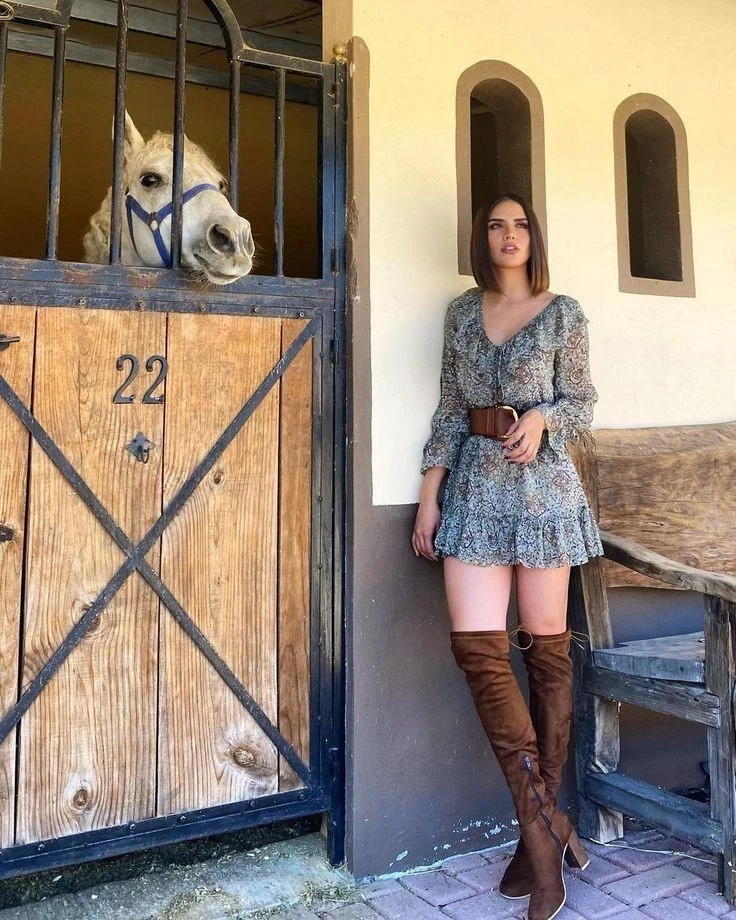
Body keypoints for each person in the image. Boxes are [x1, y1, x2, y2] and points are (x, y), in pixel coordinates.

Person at [412, 193, 603, 920]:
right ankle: (547, 826)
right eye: (496, 224)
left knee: (547, 654)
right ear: (481, 238)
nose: (509, 235)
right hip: (474, 488)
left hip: (545, 492)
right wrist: (430, 495)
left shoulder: (565, 313)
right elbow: (446, 405)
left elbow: (583, 402)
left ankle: (539, 840)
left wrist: (546, 417)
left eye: (520, 224)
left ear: (535, 236)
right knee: (479, 652)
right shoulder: (461, 314)